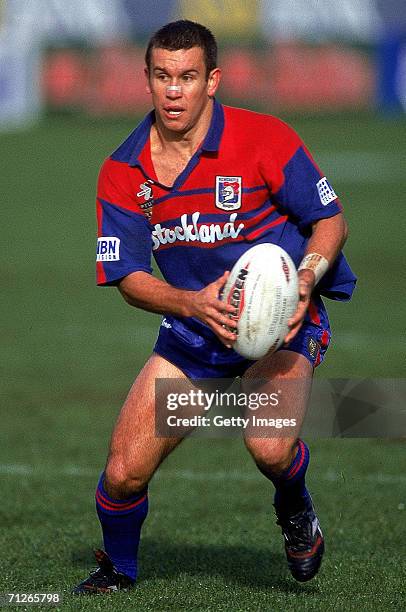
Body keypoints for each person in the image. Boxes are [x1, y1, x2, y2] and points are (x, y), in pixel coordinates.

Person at [73, 20, 356, 594]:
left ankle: (295, 506)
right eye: (162, 77)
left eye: (188, 77)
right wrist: (191, 304)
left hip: (281, 326)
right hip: (193, 332)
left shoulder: (264, 137)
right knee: (124, 472)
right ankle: (118, 574)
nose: (174, 90)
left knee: (270, 446)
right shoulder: (123, 169)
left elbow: (330, 220)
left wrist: (305, 278)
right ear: (147, 81)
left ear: (213, 81)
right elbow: (126, 277)